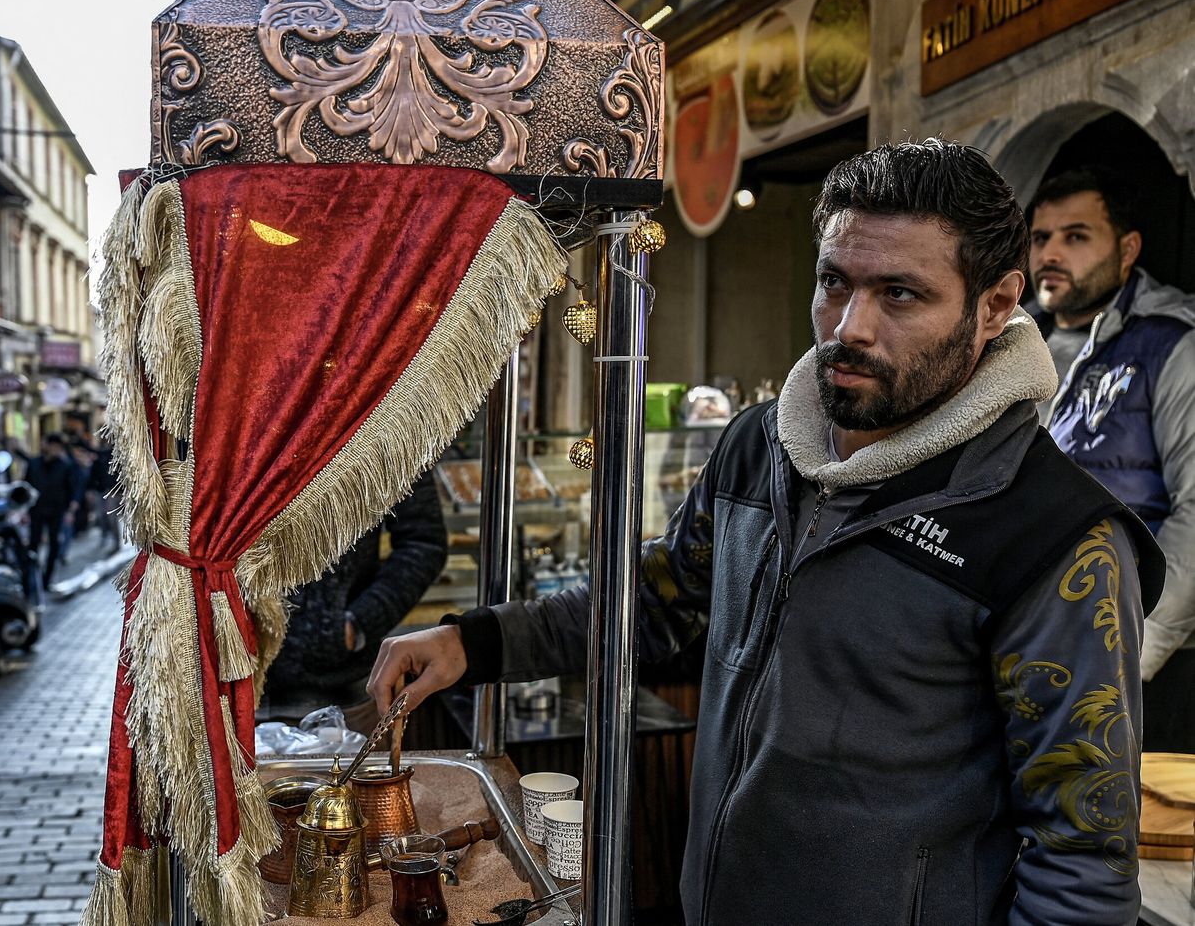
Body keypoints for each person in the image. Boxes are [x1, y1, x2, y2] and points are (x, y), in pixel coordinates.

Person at [369, 140, 1166, 925]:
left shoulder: (1058, 537)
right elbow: (657, 598)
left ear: (995, 306)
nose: (850, 327)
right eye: (834, 283)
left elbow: (1081, 865)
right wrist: (473, 643)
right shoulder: (760, 446)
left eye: (899, 294)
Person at [1027, 165, 1195, 751]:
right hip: (1035, 646)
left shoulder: (1173, 342)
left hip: (1141, 659)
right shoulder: (1015, 345)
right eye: (1041, 237)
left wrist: (1132, 654)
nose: (1051, 253)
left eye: (1076, 236)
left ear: (1127, 249)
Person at [268, 472, 445, 697]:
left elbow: (424, 543)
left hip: (339, 679)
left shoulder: (378, 436)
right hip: (230, 675)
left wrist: (356, 625)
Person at [25, 432, 79, 588]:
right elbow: (26, 486)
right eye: (53, 446)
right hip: (36, 510)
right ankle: (31, 578)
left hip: (56, 511)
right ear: (46, 445)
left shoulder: (65, 465)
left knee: (54, 545)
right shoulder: (33, 464)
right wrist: (22, 511)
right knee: (33, 544)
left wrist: (70, 511)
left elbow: (71, 489)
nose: (55, 450)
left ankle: (46, 579)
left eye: (58, 447)